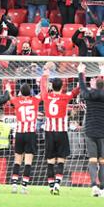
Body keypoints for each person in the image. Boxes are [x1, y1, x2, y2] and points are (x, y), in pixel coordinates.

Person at [39, 62, 80, 195]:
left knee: (50, 161)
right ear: (62, 87)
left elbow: (42, 86)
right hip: (61, 132)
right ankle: (57, 184)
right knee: (61, 159)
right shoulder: (65, 96)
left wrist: (46, 72)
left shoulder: (46, 96)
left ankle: (51, 186)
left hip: (49, 131)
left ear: (52, 86)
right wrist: (81, 73)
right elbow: (77, 90)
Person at [8, 83, 41, 194]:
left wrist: (8, 88)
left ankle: (14, 186)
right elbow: (43, 93)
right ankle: (24, 187)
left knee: (17, 160)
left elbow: (9, 96)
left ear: (21, 92)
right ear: (30, 91)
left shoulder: (17, 100)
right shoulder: (35, 100)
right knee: (28, 162)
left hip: (20, 134)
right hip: (30, 134)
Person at [78, 63, 104, 197]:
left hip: (90, 131)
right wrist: (102, 71)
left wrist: (81, 73)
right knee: (103, 161)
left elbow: (82, 88)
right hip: (102, 132)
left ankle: (94, 185)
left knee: (92, 160)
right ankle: (103, 189)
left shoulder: (89, 95)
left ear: (94, 85)